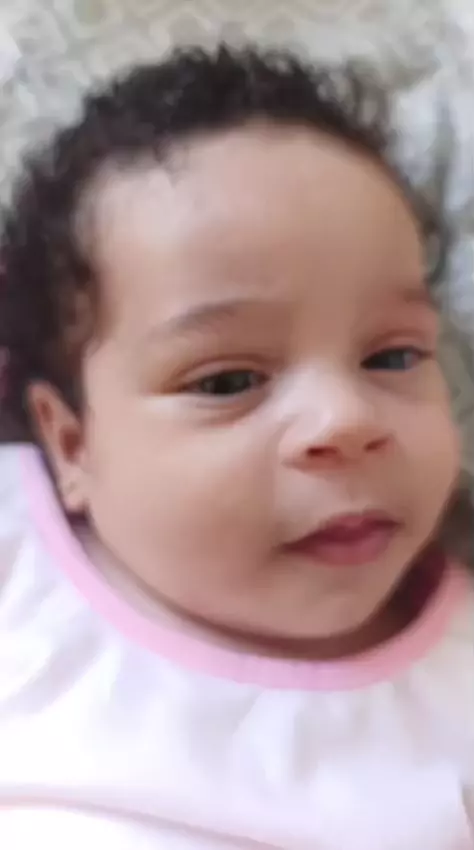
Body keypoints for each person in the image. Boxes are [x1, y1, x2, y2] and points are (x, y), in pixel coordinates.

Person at [0, 44, 472, 848]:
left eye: (393, 357)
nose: (346, 419)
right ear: (71, 443)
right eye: (227, 380)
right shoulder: (18, 556)